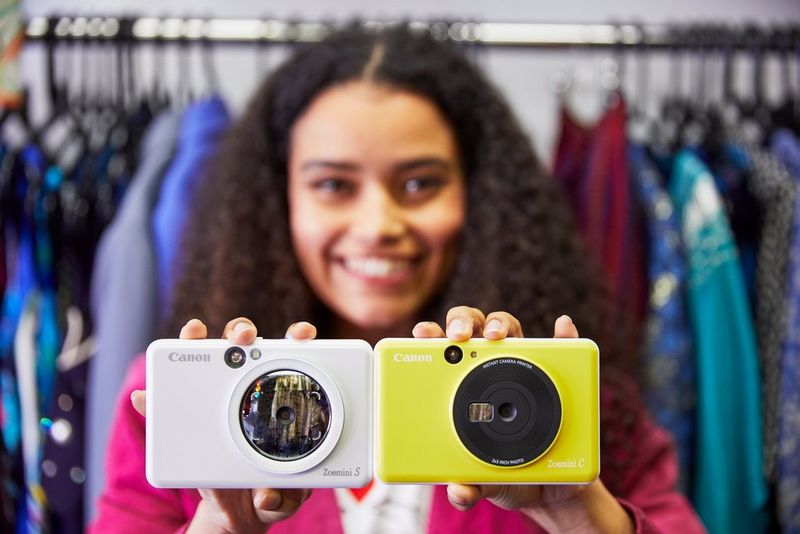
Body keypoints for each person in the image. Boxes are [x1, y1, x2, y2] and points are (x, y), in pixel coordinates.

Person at [90, 25, 704, 534]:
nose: (378, 225)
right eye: (333, 184)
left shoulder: (563, 397)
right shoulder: (176, 395)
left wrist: (580, 513)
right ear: (279, 202)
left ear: (479, 196)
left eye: (418, 184)